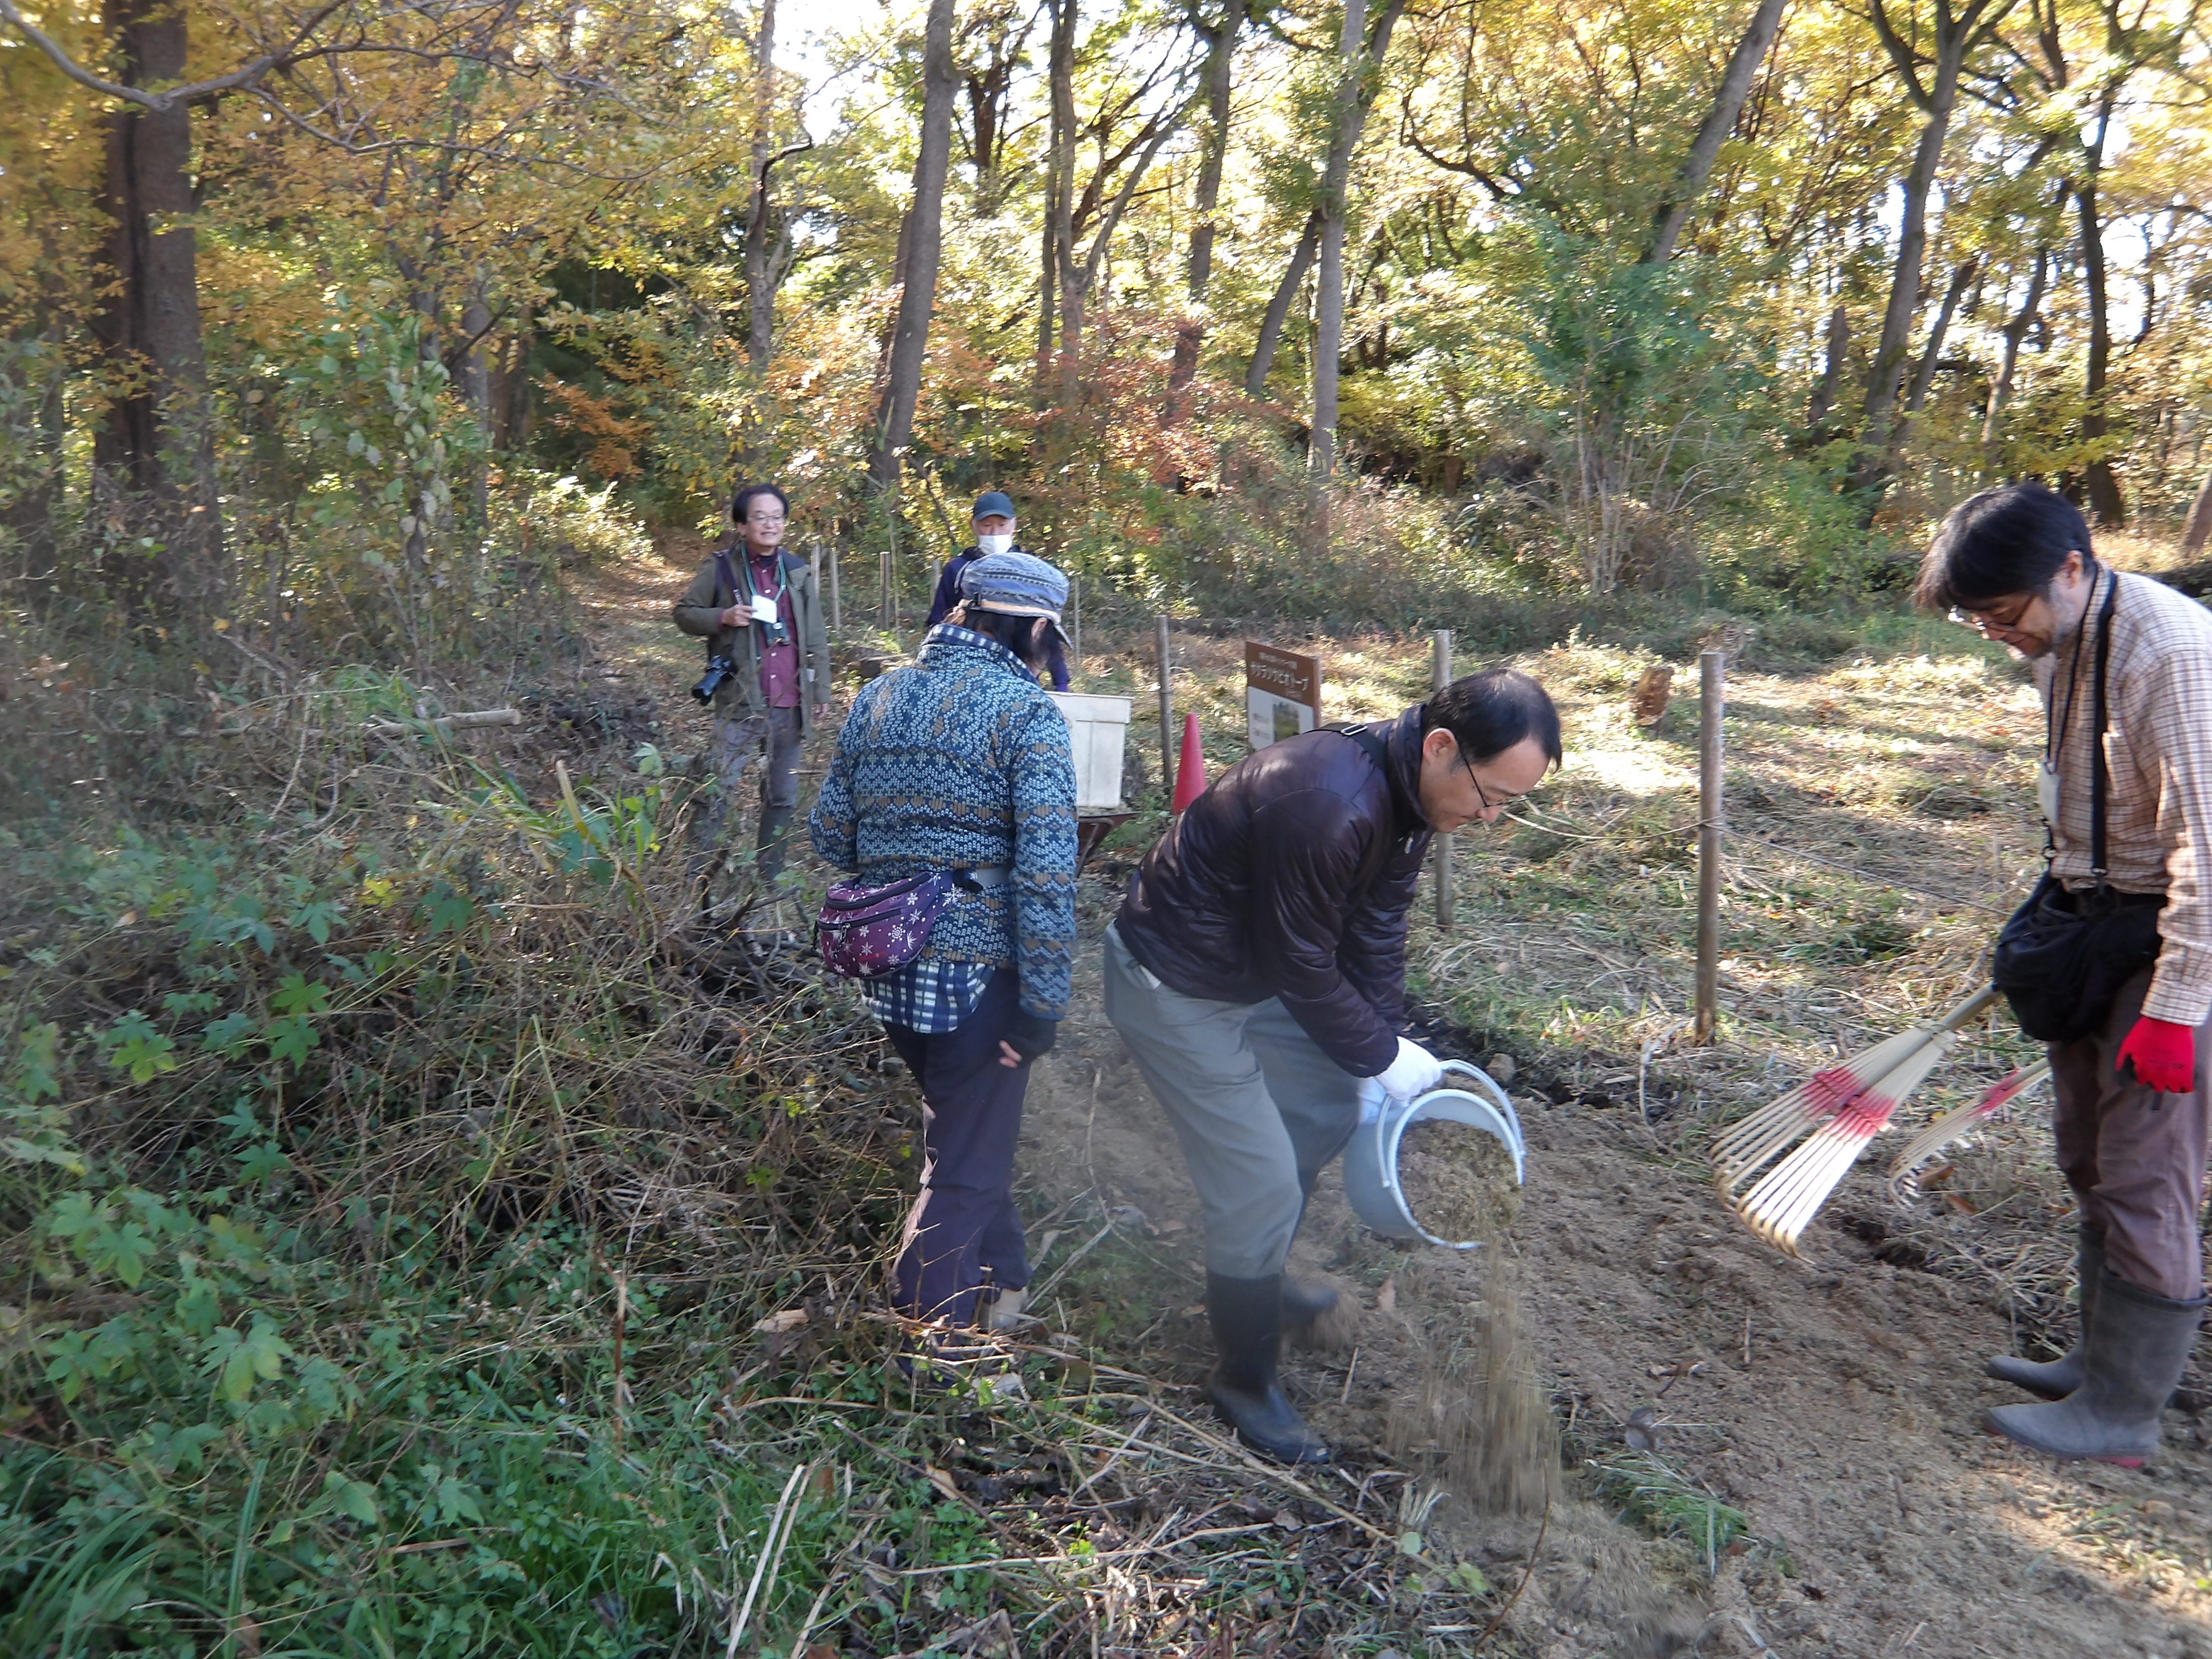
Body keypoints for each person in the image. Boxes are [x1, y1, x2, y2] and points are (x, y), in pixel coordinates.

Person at [1103, 669, 1562, 1462]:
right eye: (1491, 795)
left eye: (1509, 805)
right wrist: (1378, 1053)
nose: (1490, 817)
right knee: (1260, 1179)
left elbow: (1375, 930)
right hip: (1177, 980)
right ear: (1442, 746)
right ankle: (1242, 1378)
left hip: (1251, 970)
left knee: (1322, 1102)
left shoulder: (1406, 797)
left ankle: (1257, 1269)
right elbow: (1302, 964)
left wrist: (1380, 1045)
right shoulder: (1330, 800)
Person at [1918, 481, 2212, 1466]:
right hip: (2100, 922)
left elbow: (2208, 856)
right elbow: (2078, 803)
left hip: (2180, 938)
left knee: (2144, 1174)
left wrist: (2175, 1011)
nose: (1999, 635)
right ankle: (2096, 1359)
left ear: (2073, 570)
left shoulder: (2170, 654)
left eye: (2007, 613)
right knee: (2086, 1151)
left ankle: (2124, 1414)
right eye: (1980, 619)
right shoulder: (2061, 650)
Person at [809, 551, 1079, 1345]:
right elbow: (1045, 875)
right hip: (978, 981)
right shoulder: (1026, 715)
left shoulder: (878, 695)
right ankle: (931, 1350)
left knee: (969, 1135)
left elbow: (830, 832)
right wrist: (1042, 1005)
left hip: (888, 968)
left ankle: (1004, 1289)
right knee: (962, 1168)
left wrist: (906, 843)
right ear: (1034, 627)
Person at [672, 483, 832, 885]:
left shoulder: (796, 572)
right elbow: (684, 613)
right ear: (742, 524)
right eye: (760, 517)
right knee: (717, 789)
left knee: (782, 796)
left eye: (777, 517)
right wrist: (722, 617)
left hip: (789, 700)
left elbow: (814, 636)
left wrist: (820, 690)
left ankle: (769, 877)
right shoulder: (722, 567)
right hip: (741, 699)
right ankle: (698, 876)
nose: (770, 524)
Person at [929, 491, 1070, 692]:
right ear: (974, 526)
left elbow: (1047, 631)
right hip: (969, 673)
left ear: (1014, 524)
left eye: (1002, 525)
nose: (995, 533)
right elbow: (938, 623)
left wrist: (1061, 682)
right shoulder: (958, 569)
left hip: (1020, 674)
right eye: (987, 526)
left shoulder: (1032, 573)